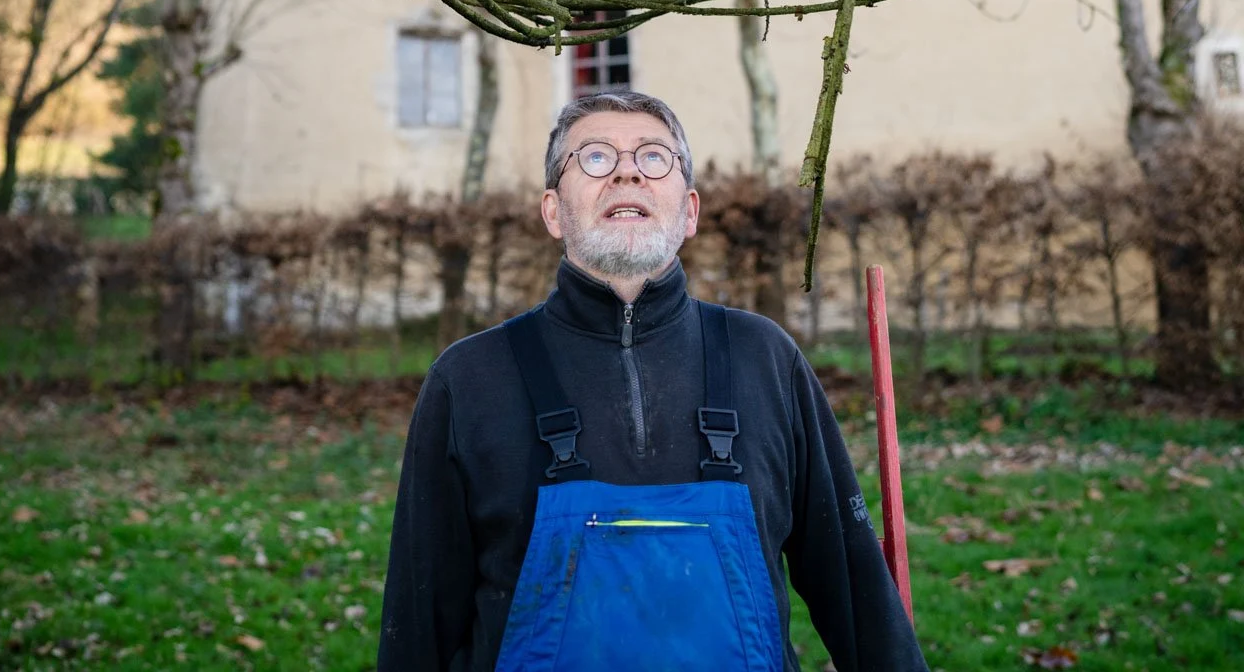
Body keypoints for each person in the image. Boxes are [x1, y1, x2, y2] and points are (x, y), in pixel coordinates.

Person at [378, 88, 928, 671]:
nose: (626, 174)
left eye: (653, 157)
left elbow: (853, 582)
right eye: (594, 157)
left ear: (689, 211)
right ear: (553, 211)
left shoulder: (764, 359)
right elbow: (418, 625)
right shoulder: (469, 381)